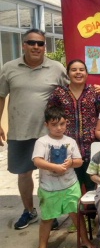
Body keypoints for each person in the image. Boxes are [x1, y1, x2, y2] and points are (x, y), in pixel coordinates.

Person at [0, 29, 68, 230]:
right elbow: (1, 96)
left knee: (49, 174)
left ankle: (50, 212)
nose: (36, 47)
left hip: (49, 134)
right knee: (23, 174)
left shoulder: (56, 68)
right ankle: (29, 211)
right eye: (31, 43)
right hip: (19, 131)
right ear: (23, 45)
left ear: (44, 46)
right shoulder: (9, 68)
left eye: (40, 43)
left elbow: (71, 90)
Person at [30, 106, 96, 248]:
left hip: (70, 186)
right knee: (46, 219)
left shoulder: (70, 141)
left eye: (62, 124)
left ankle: (85, 241)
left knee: (76, 216)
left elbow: (79, 162)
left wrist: (70, 162)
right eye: (54, 124)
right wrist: (54, 167)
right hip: (49, 188)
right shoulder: (42, 142)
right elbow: (37, 160)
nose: (59, 128)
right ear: (46, 124)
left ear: (66, 123)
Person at [47, 59, 100, 232]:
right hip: (66, 149)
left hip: (91, 147)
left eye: (81, 69)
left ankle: (90, 218)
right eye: (74, 70)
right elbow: (50, 113)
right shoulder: (59, 93)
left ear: (87, 73)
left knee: (90, 185)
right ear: (68, 73)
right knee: (71, 186)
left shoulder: (95, 93)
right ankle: (77, 220)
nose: (78, 73)